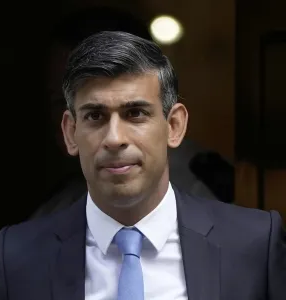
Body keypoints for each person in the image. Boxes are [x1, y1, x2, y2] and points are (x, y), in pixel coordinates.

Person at [0, 31, 285, 299]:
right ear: (70, 133)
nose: (114, 138)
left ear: (174, 126)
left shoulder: (254, 244)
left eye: (136, 113)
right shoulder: (20, 257)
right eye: (95, 116)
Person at [37, 7, 232, 219]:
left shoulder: (203, 193)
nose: (70, 121)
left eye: (133, 111)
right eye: (58, 101)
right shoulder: (57, 208)